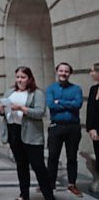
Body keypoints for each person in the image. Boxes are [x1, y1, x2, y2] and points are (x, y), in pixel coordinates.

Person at [0, 66, 55, 200]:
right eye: (18, 77)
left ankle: (48, 195)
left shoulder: (37, 93)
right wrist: (1, 109)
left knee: (38, 166)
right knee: (21, 165)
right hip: (14, 131)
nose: (20, 80)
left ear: (29, 79)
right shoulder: (10, 91)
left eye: (23, 77)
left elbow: (40, 112)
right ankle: (24, 194)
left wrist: (21, 108)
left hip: (31, 134)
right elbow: (2, 110)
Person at [46, 62, 83, 197]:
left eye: (66, 71)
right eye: (61, 71)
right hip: (56, 126)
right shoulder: (51, 89)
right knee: (53, 157)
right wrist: (68, 104)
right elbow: (51, 105)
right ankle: (50, 185)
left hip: (73, 127)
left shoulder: (76, 89)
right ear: (57, 72)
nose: (63, 73)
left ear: (70, 73)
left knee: (72, 157)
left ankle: (72, 184)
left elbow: (78, 105)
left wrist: (59, 102)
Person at [86, 63, 99, 176]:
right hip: (96, 131)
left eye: (92, 71)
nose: (91, 73)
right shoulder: (93, 89)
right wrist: (91, 128)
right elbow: (90, 110)